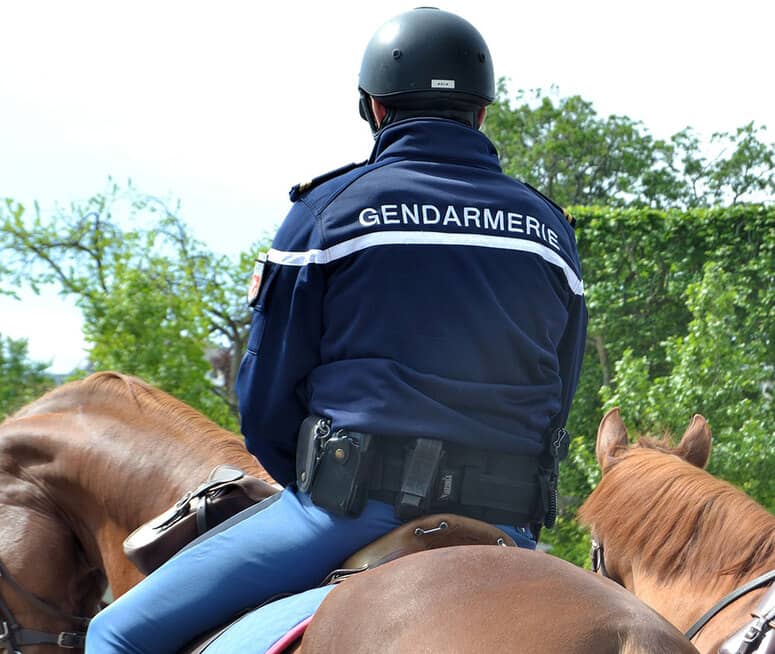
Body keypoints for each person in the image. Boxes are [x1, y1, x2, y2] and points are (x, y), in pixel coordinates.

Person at [86, 7, 587, 652]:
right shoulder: (550, 232)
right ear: (482, 112)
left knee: (116, 634)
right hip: (506, 525)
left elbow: (267, 396)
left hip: (347, 511)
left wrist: (314, 482)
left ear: (373, 108)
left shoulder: (328, 213)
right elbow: (560, 392)